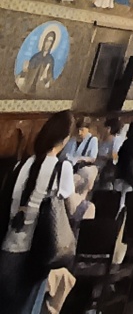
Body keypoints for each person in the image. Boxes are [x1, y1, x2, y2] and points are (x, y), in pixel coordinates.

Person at [0, 110, 76, 314]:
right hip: (33, 257)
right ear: (65, 138)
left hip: (7, 248)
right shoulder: (62, 168)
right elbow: (70, 208)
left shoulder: (21, 165)